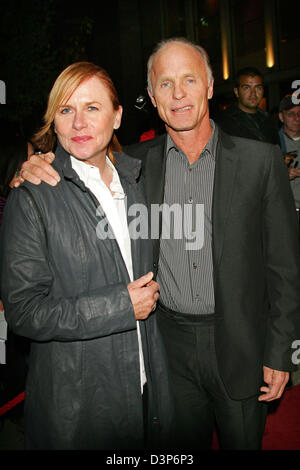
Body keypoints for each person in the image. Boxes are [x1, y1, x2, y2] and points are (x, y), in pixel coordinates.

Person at [14, 38, 300, 450]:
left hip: (242, 343)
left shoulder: (260, 160)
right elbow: (79, 161)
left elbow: (285, 268)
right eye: (165, 84)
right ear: (151, 96)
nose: (178, 94)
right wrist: (34, 165)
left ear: (209, 86)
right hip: (165, 349)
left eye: (188, 80)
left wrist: (282, 351)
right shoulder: (132, 166)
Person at [0, 61, 174, 450]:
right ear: (54, 122)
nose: (78, 122)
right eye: (66, 110)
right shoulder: (32, 196)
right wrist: (120, 305)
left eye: (92, 108)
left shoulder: (136, 182)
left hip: (147, 387)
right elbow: (24, 312)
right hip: (80, 406)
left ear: (117, 116)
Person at [216, 67, 279, 145]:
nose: (253, 93)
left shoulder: (269, 120)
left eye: (258, 88)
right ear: (236, 92)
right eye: (247, 88)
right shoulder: (224, 122)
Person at [278, 94, 300, 210]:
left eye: (299, 113)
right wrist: (283, 174)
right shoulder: (273, 144)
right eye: (291, 114)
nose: (297, 118)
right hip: (286, 211)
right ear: (281, 117)